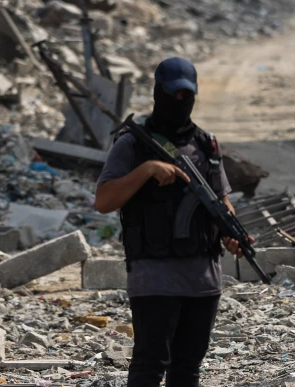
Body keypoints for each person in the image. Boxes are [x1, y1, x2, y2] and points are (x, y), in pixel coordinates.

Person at [94, 57, 250, 387]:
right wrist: (147, 170)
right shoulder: (132, 144)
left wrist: (231, 233)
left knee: (187, 370)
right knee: (149, 367)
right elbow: (104, 200)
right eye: (172, 95)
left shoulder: (206, 145)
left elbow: (221, 201)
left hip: (203, 280)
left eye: (186, 97)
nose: (179, 103)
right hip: (154, 276)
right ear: (157, 93)